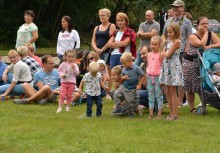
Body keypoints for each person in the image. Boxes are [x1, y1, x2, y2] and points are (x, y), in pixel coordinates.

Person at [182, 16, 220, 112]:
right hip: (190, 62)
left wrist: (211, 46)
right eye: (203, 24)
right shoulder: (192, 36)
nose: (205, 25)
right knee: (190, 86)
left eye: (206, 23)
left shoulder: (211, 33)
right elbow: (201, 44)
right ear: (197, 25)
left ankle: (204, 104)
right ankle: (192, 108)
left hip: (202, 62)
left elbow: (219, 43)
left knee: (201, 84)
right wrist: (206, 33)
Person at [162, 0, 192, 107]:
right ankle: (171, 101)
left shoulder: (187, 22)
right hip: (168, 50)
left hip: (180, 51)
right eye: (174, 7)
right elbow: (163, 35)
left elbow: (189, 38)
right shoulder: (168, 21)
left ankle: (179, 100)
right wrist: (164, 43)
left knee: (179, 77)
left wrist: (186, 51)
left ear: (182, 8)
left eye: (177, 7)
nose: (175, 9)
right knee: (169, 76)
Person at [159, 22, 184, 120]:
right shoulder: (169, 42)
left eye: (171, 32)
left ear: (176, 32)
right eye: (167, 32)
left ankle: (175, 114)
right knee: (167, 91)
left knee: (173, 91)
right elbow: (163, 53)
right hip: (167, 66)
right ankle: (171, 113)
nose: (168, 34)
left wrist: (164, 52)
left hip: (173, 67)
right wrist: (164, 51)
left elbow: (167, 54)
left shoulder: (177, 42)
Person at [112, 52, 145, 117]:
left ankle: (131, 114)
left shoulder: (136, 68)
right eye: (122, 63)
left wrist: (139, 85)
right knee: (116, 94)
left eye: (124, 63)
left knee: (129, 103)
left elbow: (143, 76)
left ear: (130, 61)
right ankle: (118, 108)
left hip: (131, 89)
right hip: (123, 87)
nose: (123, 65)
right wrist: (122, 78)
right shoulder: (124, 69)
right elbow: (121, 80)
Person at [147, 36, 164, 119]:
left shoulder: (161, 54)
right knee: (151, 95)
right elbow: (148, 65)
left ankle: (159, 114)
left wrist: (162, 79)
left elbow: (163, 67)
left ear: (159, 45)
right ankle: (151, 114)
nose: (153, 46)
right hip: (150, 76)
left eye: (155, 44)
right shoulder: (149, 54)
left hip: (158, 77)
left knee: (159, 95)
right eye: (152, 44)